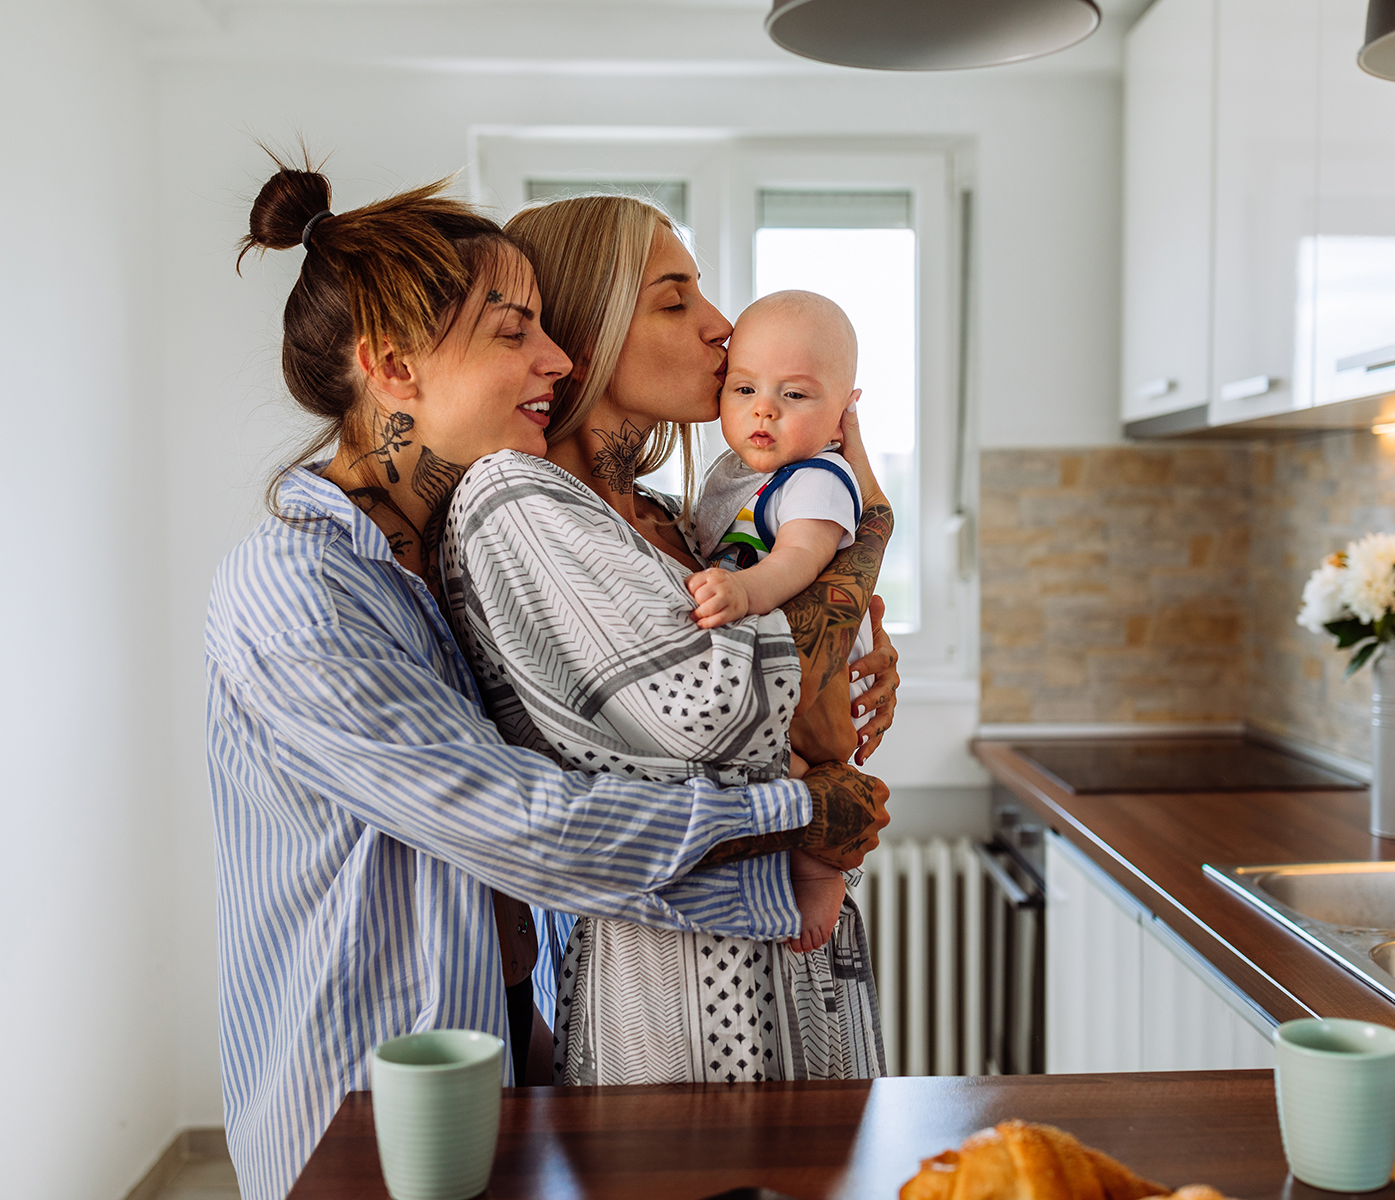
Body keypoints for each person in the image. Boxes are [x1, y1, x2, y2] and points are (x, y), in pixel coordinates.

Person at [205, 158, 895, 1200]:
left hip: (488, 1056)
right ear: (393, 365)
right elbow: (523, 821)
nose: (558, 359)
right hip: (349, 1095)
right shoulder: (298, 585)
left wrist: (837, 620)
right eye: (514, 332)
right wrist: (799, 812)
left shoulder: (424, 555)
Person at [442, 194, 896, 1085]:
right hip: (681, 989)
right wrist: (865, 538)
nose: (722, 327)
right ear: (590, 323)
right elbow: (721, 713)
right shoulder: (520, 501)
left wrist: (843, 660)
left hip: (796, 961)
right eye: (675, 298)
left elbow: (795, 711)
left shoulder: (676, 520)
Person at [685, 288, 876, 951]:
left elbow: (801, 556)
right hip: (780, 665)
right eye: (744, 389)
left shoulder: (817, 477)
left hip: (824, 680)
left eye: (795, 395)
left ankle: (824, 870)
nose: (764, 407)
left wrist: (742, 592)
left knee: (818, 771)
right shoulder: (733, 475)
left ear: (840, 419)